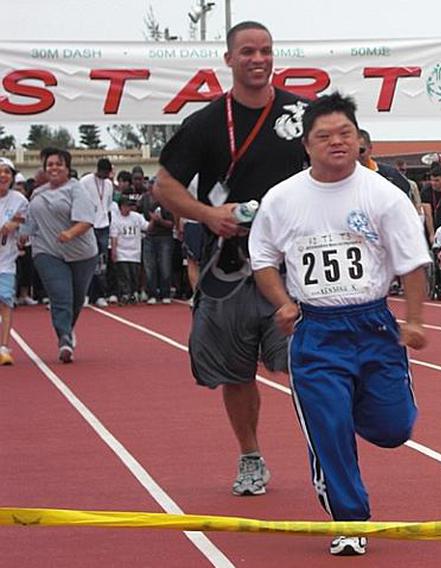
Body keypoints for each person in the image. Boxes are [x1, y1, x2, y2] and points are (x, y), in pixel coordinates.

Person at [249, 92, 430, 557]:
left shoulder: (384, 196)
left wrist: (413, 319)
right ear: (306, 145)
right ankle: (350, 520)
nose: (336, 142)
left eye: (345, 134)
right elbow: (263, 260)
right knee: (328, 428)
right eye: (324, 136)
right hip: (317, 332)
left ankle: (349, 408)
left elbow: (412, 264)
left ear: (359, 140)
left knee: (394, 429)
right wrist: (283, 302)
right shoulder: (282, 198)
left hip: (373, 326)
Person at [153, 21, 308, 497]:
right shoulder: (204, 123)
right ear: (229, 59)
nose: (257, 59)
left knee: (311, 365)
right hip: (231, 267)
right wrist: (209, 214)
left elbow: (339, 167)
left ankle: (329, 453)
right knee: (235, 372)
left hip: (294, 266)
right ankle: (251, 456)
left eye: (265, 50)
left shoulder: (306, 115)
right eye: (247, 52)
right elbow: (164, 185)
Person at [20, 148, 98, 363]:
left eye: (58, 164)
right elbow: (30, 219)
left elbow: (85, 221)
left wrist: (70, 233)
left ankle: (67, 329)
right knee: (60, 294)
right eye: (49, 164)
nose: (53, 168)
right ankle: (64, 339)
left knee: (76, 298)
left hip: (81, 253)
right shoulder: (38, 193)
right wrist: (23, 235)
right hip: (47, 251)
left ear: (67, 168)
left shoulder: (76, 190)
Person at [0, 158, 28, 365]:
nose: (3, 176)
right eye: (0, 172)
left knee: (5, 303)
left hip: (6, 262)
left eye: (7, 172)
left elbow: (26, 221)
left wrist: (17, 225)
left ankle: (4, 348)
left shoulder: (19, 199)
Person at [80, 158, 115, 308]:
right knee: (88, 261)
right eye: (106, 172)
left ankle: (100, 295)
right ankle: (85, 294)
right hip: (90, 225)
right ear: (99, 170)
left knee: (101, 264)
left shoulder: (109, 184)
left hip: (103, 226)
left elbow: (107, 205)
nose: (107, 175)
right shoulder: (85, 181)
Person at [110, 196, 149, 304]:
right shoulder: (116, 219)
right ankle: (125, 293)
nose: (128, 208)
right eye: (126, 206)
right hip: (122, 251)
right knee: (124, 274)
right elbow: (114, 236)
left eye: (129, 206)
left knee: (134, 274)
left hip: (135, 251)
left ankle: (133, 293)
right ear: (120, 207)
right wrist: (114, 251)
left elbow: (146, 227)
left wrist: (154, 220)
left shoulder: (136, 217)